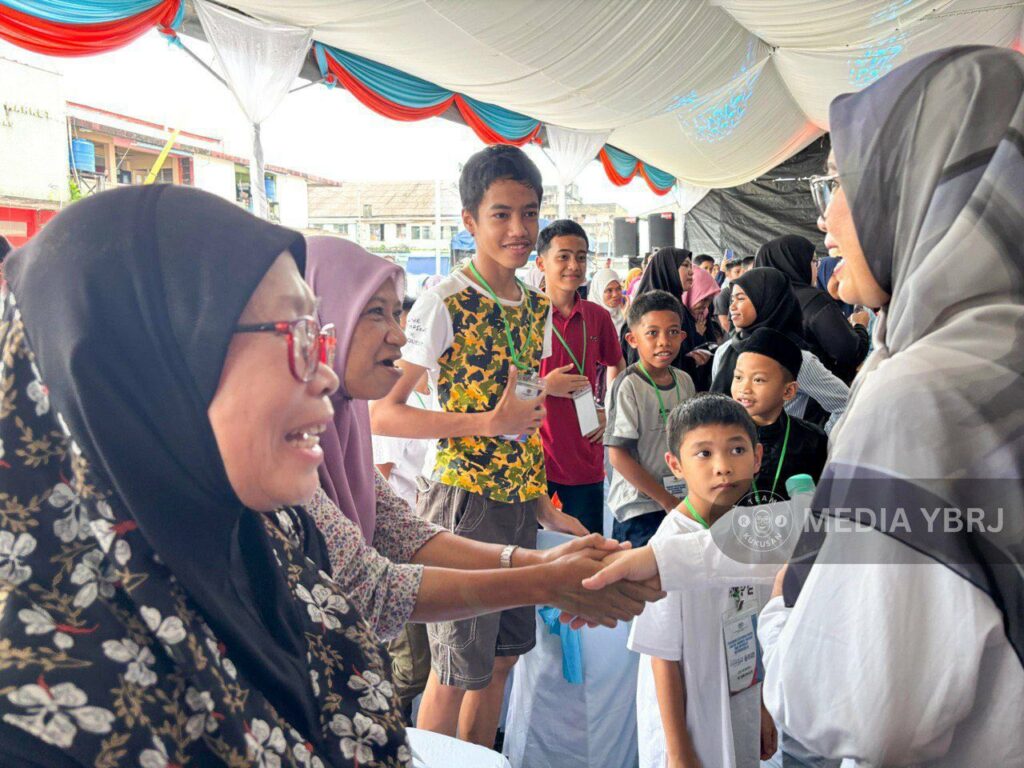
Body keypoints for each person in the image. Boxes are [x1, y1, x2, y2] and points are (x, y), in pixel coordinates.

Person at [593, 46, 1024, 767]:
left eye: (841, 184)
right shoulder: (990, 356)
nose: (825, 222)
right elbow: (874, 525)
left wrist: (781, 605)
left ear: (913, 190)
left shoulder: (923, 396)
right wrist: (677, 559)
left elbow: (860, 708)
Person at [0, 185, 412, 766]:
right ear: (152, 364)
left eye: (317, 336)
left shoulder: (279, 538)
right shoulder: (39, 716)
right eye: (296, 335)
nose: (324, 375)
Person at [305, 235, 660, 721]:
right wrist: (545, 579)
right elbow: (376, 589)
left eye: (395, 314)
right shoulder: (279, 459)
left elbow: (406, 535)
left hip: (345, 713)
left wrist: (542, 559)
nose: (398, 335)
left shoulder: (340, 431)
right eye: (375, 313)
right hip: (311, 713)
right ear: (318, 324)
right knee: (456, 673)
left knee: (498, 664)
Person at [369, 145, 587, 747]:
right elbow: (384, 412)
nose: (519, 228)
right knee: (453, 670)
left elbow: (524, 412)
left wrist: (540, 501)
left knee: (501, 661)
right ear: (470, 221)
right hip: (462, 499)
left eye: (529, 213)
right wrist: (485, 423)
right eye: (501, 214)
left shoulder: (536, 304)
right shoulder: (445, 300)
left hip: (517, 500)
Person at [627, 395, 776, 768]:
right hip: (687, 723)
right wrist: (678, 751)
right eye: (704, 454)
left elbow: (753, 628)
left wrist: (761, 707)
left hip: (740, 701)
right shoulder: (669, 543)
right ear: (675, 465)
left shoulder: (753, 535)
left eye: (736, 450)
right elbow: (661, 657)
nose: (723, 467)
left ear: (757, 457)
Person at [536, 220, 625, 534]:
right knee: (535, 552)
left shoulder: (596, 316)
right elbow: (501, 382)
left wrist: (608, 410)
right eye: (563, 256)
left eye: (581, 257)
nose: (574, 265)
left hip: (584, 452)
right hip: (535, 456)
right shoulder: (525, 316)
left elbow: (616, 363)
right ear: (541, 263)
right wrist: (545, 386)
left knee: (587, 546)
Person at [605, 290, 697, 548]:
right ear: (632, 339)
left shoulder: (684, 381)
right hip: (640, 507)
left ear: (683, 336)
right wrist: (666, 500)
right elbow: (618, 456)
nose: (664, 342)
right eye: (652, 333)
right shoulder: (628, 385)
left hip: (679, 501)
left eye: (672, 332)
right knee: (643, 571)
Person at [710, 267, 849, 434]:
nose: (732, 306)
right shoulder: (725, 350)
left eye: (740, 298)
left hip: (783, 448)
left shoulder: (795, 358)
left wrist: (818, 441)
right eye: (731, 299)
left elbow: (846, 403)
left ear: (766, 301)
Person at [754, 235, 869, 383]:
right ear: (796, 263)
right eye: (814, 261)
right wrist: (860, 325)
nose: (817, 267)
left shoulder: (760, 303)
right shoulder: (814, 301)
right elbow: (850, 352)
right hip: (826, 390)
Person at [731, 328, 828, 501]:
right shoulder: (720, 436)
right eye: (738, 377)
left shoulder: (812, 440)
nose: (744, 388)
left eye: (758, 380)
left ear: (789, 391)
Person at [372, 295, 434, 510]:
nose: (406, 340)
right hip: (408, 514)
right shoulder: (388, 401)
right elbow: (379, 479)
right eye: (407, 332)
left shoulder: (437, 392)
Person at [622, 247, 712, 380]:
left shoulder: (679, 308)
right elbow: (641, 364)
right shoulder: (646, 311)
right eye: (685, 265)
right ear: (668, 268)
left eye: (691, 266)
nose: (691, 272)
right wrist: (691, 362)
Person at [680, 265, 723, 391]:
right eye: (702, 299)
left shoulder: (704, 315)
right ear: (691, 294)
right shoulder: (679, 316)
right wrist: (697, 334)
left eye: (709, 300)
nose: (705, 305)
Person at [588, 266, 626, 335]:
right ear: (598, 293)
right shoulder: (589, 321)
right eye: (609, 290)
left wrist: (628, 319)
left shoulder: (626, 314)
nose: (615, 294)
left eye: (618, 288)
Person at [714, 258, 744, 330]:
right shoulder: (723, 295)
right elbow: (725, 323)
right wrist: (737, 335)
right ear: (728, 274)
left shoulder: (746, 291)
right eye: (737, 272)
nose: (742, 274)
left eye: (743, 271)